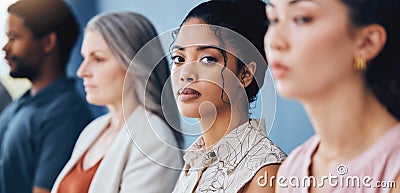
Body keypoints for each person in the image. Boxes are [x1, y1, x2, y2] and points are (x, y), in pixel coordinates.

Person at [265, 0, 400, 192]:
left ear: (367, 42)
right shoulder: (290, 171)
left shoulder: (394, 171)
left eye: (302, 19)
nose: (274, 41)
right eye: (273, 19)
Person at [51, 11, 183, 193]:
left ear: (134, 64)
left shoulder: (154, 142)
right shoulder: (92, 131)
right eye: (84, 58)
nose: (82, 71)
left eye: (97, 59)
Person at [171, 1, 286, 192]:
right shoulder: (194, 163)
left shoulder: (266, 174)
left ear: (245, 74)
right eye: (179, 59)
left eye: (208, 59)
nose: (185, 74)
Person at [0, 0, 93, 192]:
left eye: (14, 37)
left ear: (48, 42)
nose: (5, 48)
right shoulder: (24, 102)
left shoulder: (66, 114)